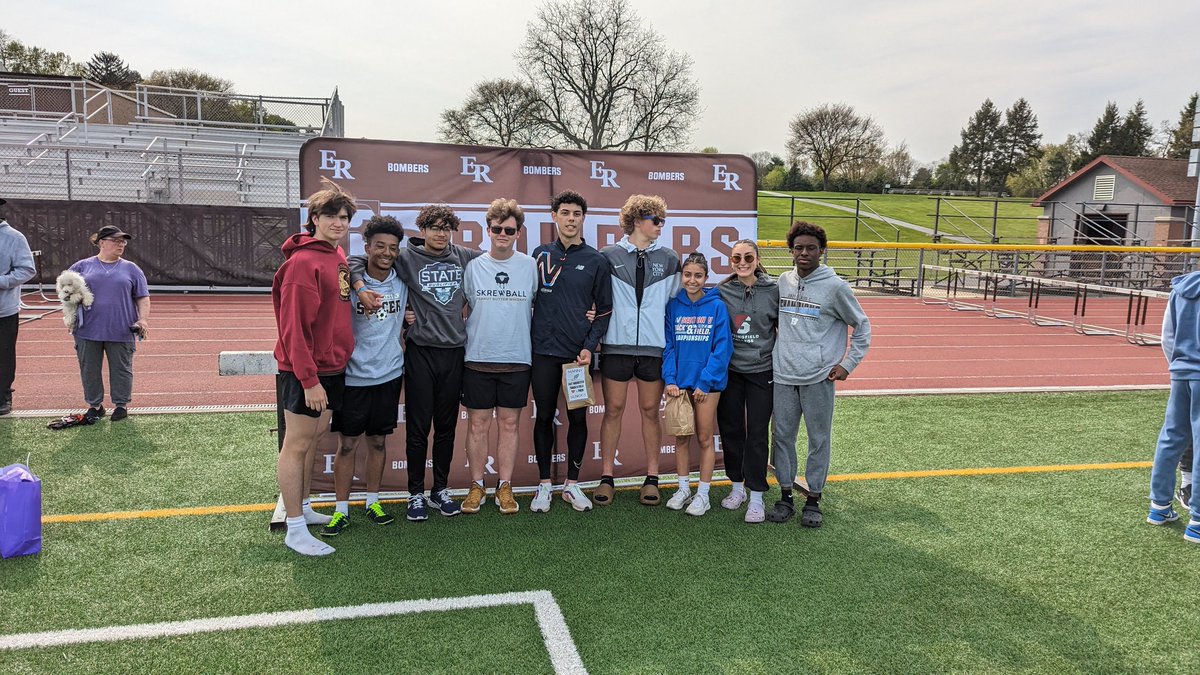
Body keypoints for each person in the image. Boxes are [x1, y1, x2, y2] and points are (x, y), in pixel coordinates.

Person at [352, 204, 481, 521]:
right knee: (419, 428)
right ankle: (415, 494)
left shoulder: (463, 256)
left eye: (445, 227)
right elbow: (354, 261)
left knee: (447, 428)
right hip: (421, 352)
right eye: (433, 227)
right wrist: (358, 285)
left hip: (454, 353)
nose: (440, 233)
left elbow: (497, 263)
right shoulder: (407, 257)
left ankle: (440, 490)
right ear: (422, 231)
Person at [272, 178, 356, 556]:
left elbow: (339, 280)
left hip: (333, 367)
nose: (339, 223)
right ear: (314, 219)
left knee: (313, 442)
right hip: (307, 371)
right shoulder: (303, 263)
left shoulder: (334, 255)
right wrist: (308, 380)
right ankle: (294, 527)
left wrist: (359, 288)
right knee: (298, 444)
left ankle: (304, 508)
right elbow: (293, 328)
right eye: (331, 216)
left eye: (344, 217)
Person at [769, 222, 871, 528]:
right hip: (784, 375)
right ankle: (786, 496)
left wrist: (847, 364)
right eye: (798, 247)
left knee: (818, 439)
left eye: (810, 248)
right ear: (791, 251)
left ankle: (814, 499)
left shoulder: (836, 287)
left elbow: (862, 327)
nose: (804, 253)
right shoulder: (782, 282)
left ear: (821, 251)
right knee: (782, 437)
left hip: (818, 378)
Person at [321, 216, 408, 538]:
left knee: (379, 442)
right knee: (346, 446)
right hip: (353, 376)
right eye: (380, 246)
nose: (386, 253)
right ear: (368, 247)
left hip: (389, 374)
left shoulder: (402, 282)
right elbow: (349, 264)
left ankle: (373, 501)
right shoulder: (349, 282)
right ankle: (340, 510)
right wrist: (359, 286)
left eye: (392, 248)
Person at [530, 190, 613, 513]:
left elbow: (605, 310)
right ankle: (543, 486)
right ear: (554, 216)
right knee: (544, 418)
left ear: (583, 218)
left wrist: (589, 347)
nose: (570, 219)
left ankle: (572, 485)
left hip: (577, 358)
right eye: (564, 212)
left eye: (576, 213)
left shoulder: (596, 260)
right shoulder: (538, 255)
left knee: (578, 419)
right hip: (542, 354)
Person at [596, 194, 680, 506]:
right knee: (613, 410)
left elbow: (673, 304)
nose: (661, 226)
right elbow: (599, 300)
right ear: (636, 221)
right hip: (616, 347)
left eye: (663, 221)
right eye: (655, 220)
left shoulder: (670, 258)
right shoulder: (608, 255)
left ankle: (652, 477)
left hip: (653, 349)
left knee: (649, 411)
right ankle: (607, 477)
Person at [460, 198, 538, 515]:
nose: (502, 234)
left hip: (517, 359)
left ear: (518, 232)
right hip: (477, 358)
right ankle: (477, 486)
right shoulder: (473, 267)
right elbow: (457, 308)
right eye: (497, 229)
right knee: (477, 426)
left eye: (509, 229)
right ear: (488, 230)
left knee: (509, 425)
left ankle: (505, 486)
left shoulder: (530, 266)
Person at [663, 252, 732, 516]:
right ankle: (683, 488)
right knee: (681, 439)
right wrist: (670, 379)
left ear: (706, 278)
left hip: (707, 386)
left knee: (704, 438)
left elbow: (722, 348)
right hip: (680, 385)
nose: (692, 280)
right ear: (682, 277)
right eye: (688, 275)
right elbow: (668, 346)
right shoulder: (673, 306)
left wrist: (705, 381)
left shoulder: (716, 306)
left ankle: (703, 495)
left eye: (698, 276)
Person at [716, 239, 779, 523]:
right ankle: (737, 487)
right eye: (736, 258)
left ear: (757, 259)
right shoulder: (722, 291)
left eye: (748, 257)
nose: (742, 263)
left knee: (756, 433)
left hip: (761, 371)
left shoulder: (774, 290)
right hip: (730, 372)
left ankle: (757, 496)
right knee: (730, 431)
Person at [67, 224, 151, 423]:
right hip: (87, 330)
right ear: (102, 242)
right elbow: (65, 291)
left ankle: (121, 405)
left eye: (123, 241)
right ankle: (95, 406)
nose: (121, 244)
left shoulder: (131, 269)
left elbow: (143, 297)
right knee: (89, 369)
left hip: (121, 329)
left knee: (122, 369)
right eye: (116, 240)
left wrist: (143, 319)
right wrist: (70, 314)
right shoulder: (82, 266)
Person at [1147, 271, 1200, 544]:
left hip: (1181, 371)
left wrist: (1176, 367)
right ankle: (1198, 520)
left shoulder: (1181, 287)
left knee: (1171, 438)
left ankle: (1159, 506)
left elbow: (1168, 335)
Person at [0, 198, 36, 416]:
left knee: (3, 355)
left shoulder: (13, 237)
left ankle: (3, 395)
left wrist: (1, 282)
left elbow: (27, 269)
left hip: (3, 310)